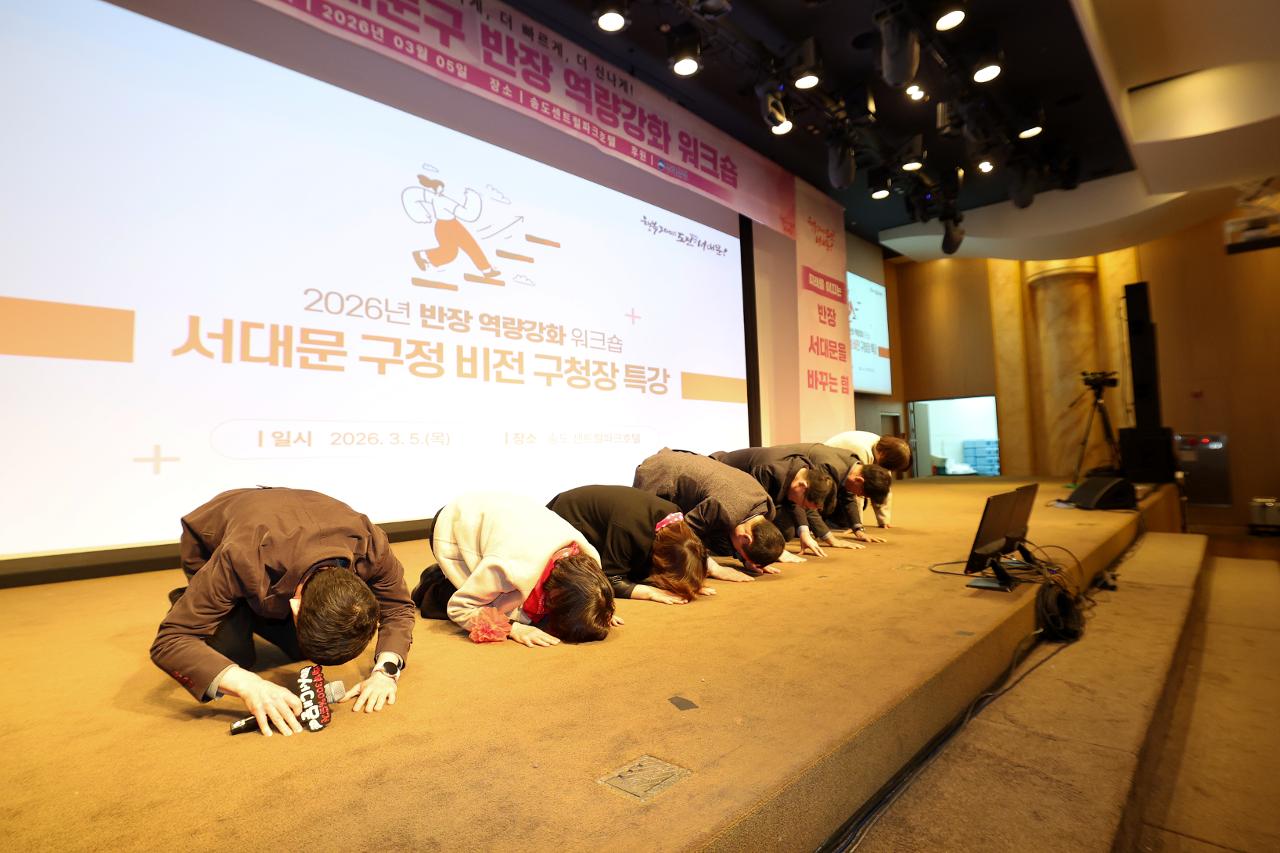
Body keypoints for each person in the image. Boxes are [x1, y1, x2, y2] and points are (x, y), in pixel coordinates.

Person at [151, 487, 415, 738]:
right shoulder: (242, 555)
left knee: (308, 646)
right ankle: (192, 599)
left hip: (292, 531)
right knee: (233, 654)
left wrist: (385, 672)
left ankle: (256, 611)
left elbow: (398, 607)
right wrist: (250, 685)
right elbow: (170, 641)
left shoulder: (371, 546)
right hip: (214, 542)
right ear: (295, 606)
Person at [411, 491, 620, 647]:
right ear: (556, 596)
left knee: (506, 600)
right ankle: (435, 580)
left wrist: (596, 609)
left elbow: (588, 592)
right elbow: (459, 609)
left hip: (500, 519)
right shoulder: (509, 568)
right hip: (454, 524)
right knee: (475, 602)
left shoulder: (589, 559)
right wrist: (513, 628)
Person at [632, 448, 792, 575]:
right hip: (659, 471)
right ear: (746, 538)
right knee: (650, 540)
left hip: (687, 465)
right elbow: (682, 532)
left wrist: (749, 560)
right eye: (743, 554)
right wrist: (713, 567)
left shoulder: (766, 507)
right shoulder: (725, 508)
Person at [547, 484, 715, 604]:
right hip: (565, 517)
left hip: (616, 520)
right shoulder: (628, 528)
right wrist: (649, 592)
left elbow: (685, 553)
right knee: (589, 582)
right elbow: (611, 578)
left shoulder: (674, 517)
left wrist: (688, 581)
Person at [709, 446, 836, 557]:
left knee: (787, 532)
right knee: (732, 547)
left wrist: (805, 534)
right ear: (802, 486)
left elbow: (794, 504)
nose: (801, 507)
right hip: (718, 480)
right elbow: (750, 507)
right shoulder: (768, 470)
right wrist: (772, 550)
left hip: (753, 493)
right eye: (803, 504)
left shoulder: (803, 471)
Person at [783, 443, 894, 547]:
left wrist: (858, 529)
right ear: (859, 480)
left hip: (794, 491)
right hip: (779, 489)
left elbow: (848, 496)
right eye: (861, 494)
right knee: (789, 532)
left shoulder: (855, 466)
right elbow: (808, 502)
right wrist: (830, 538)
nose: (859, 496)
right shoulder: (825, 468)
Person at [823, 431, 911, 527]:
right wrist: (857, 525)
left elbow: (883, 488)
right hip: (826, 477)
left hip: (842, 477)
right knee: (848, 512)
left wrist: (883, 520)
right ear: (883, 454)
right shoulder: (861, 451)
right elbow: (856, 489)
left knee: (866, 496)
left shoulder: (885, 448)